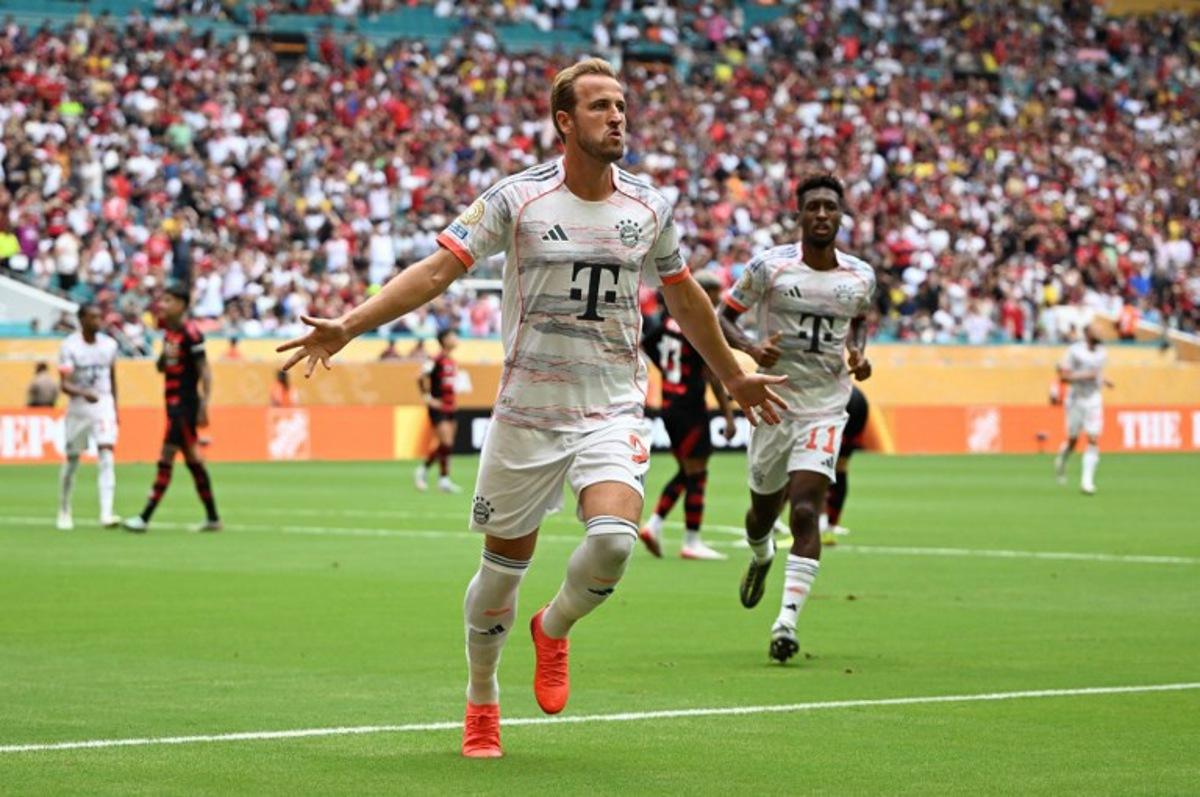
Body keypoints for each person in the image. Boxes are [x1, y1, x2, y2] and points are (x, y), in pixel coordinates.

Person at [277, 58, 786, 758]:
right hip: (525, 414)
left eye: (623, 105)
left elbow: (683, 294)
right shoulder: (516, 199)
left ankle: (555, 627)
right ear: (564, 122)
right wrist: (348, 325)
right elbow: (435, 271)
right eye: (601, 106)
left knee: (612, 541)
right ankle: (482, 698)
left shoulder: (649, 206)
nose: (618, 117)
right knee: (499, 572)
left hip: (610, 406)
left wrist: (731, 373)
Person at [718, 173, 875, 664]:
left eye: (831, 206)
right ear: (800, 215)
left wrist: (858, 353)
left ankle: (786, 621)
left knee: (806, 509)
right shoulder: (770, 267)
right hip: (774, 401)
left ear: (842, 215)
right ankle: (762, 555)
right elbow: (723, 316)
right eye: (814, 207)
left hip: (826, 405)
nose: (823, 214)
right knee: (762, 513)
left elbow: (860, 320)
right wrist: (749, 347)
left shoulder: (860, 276)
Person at [638, 271, 738, 561]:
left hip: (670, 404)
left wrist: (670, 374)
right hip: (690, 406)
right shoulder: (699, 326)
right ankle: (691, 541)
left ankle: (654, 526)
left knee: (687, 470)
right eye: (715, 295)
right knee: (698, 473)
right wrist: (729, 415)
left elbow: (646, 344)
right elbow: (713, 375)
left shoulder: (671, 322)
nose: (718, 301)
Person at [123, 282, 222, 533]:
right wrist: (164, 355)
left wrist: (203, 405)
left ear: (181, 305)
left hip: (184, 406)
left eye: (167, 301)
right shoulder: (169, 335)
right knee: (193, 461)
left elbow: (205, 371)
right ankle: (213, 518)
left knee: (167, 457)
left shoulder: (192, 334)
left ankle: (145, 517)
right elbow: (161, 367)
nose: (162, 306)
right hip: (172, 405)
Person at [56, 304, 120, 530]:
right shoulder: (69, 347)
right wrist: (83, 393)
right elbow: (64, 384)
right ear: (81, 319)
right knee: (73, 459)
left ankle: (106, 513)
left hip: (103, 403)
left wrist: (116, 409)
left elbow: (113, 378)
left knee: (106, 453)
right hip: (79, 407)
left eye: (99, 317)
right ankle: (64, 508)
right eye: (92, 317)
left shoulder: (109, 345)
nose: (97, 322)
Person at [1054, 324, 1113, 495]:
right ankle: (1062, 460)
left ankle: (1087, 481)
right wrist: (1085, 376)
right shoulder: (1074, 352)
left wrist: (1103, 380)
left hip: (1093, 399)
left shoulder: (1102, 352)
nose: (1100, 333)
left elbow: (1098, 374)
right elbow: (1063, 377)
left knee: (1093, 438)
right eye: (1097, 330)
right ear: (1087, 333)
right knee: (1073, 440)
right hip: (1075, 399)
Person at [415, 329, 462, 493]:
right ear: (444, 339)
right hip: (439, 406)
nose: (456, 339)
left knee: (446, 446)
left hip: (451, 406)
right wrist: (428, 398)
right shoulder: (436, 359)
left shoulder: (452, 361)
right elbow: (421, 377)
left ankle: (442, 479)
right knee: (446, 443)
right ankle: (425, 471)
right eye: (453, 336)